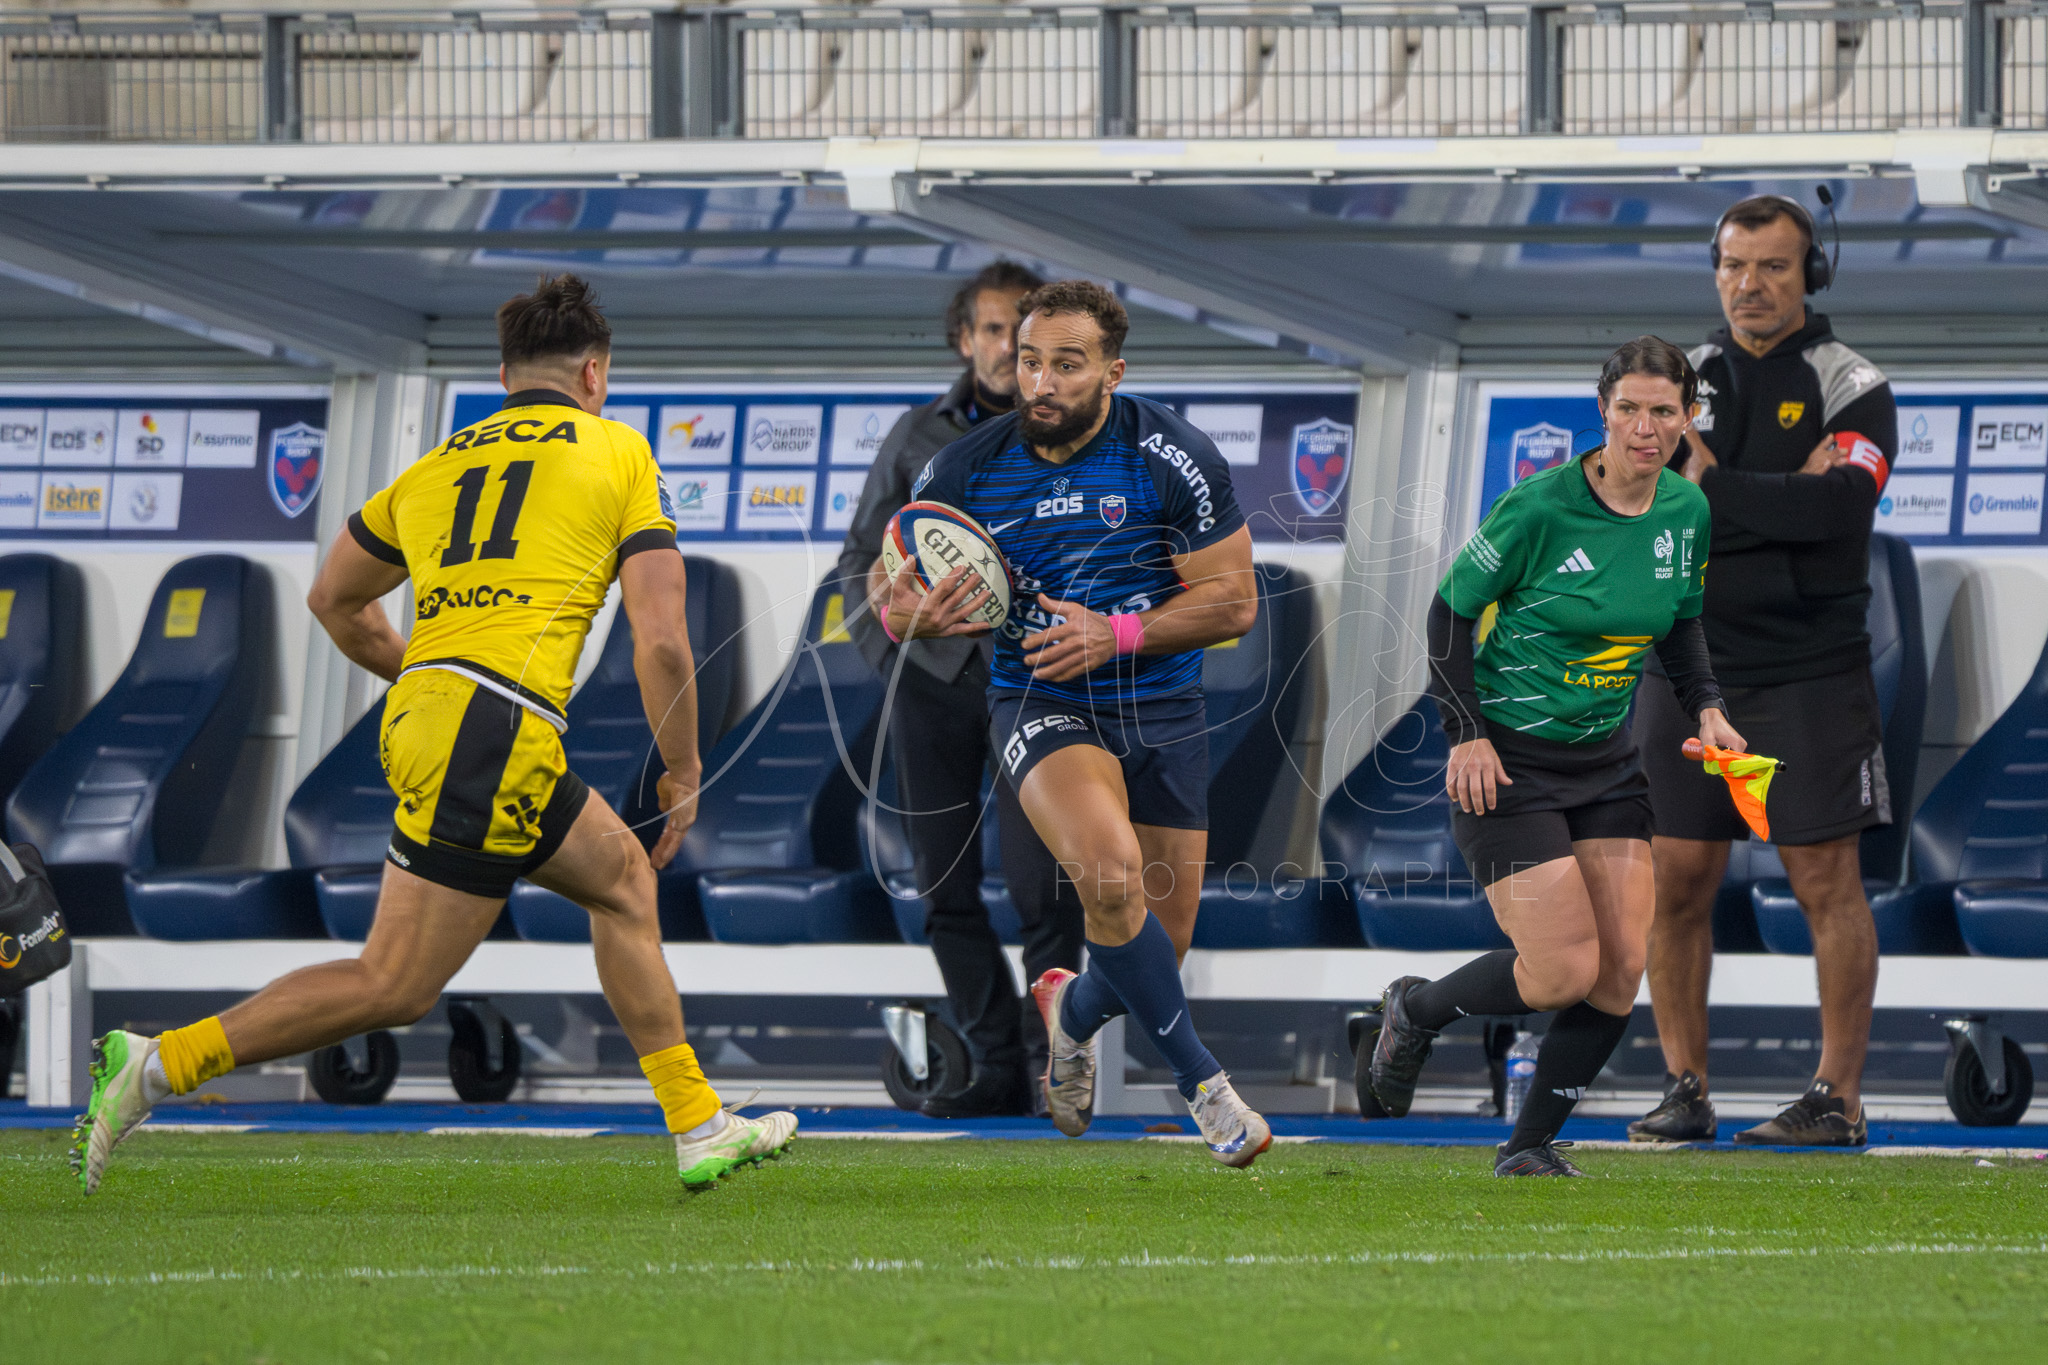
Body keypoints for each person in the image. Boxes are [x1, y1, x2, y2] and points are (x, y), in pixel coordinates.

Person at [71, 275, 796, 1194]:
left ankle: (697, 1121)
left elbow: (334, 597)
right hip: (494, 729)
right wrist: (684, 765)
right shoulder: (617, 452)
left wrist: (426, 674)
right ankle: (158, 1064)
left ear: (503, 375)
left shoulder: (437, 465)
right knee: (395, 984)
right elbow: (660, 637)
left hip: (443, 716)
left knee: (620, 880)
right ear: (595, 373)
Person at [884, 280, 1271, 1166]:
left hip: (1164, 707)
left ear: (1112, 371)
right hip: (1041, 700)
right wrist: (917, 617)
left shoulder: (1171, 454)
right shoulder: (962, 470)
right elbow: (894, 601)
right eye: (1030, 361)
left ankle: (1075, 1008)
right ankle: (1208, 1090)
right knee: (1108, 870)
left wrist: (1118, 631)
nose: (1042, 381)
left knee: (1154, 948)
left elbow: (1235, 603)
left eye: (1067, 363)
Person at [1371, 337, 1741, 1177]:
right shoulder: (1539, 507)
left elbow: (1680, 623)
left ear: (1688, 419)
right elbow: (1448, 616)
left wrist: (1712, 709)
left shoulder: (1687, 511)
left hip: (1609, 762)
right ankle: (1417, 1010)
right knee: (1561, 970)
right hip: (1508, 762)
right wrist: (1464, 730)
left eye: (1664, 412)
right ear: (1602, 410)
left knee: (1619, 971)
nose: (1646, 428)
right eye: (1630, 410)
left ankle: (1527, 1144)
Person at [1630, 195, 1897, 1148]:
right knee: (1675, 882)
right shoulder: (1677, 378)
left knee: (1825, 878)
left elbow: (1841, 510)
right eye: (1735, 266)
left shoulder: (1850, 382)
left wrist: (1717, 487)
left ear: (1811, 273)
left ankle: (1838, 1097)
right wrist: (1780, 494)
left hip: (1809, 672)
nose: (1751, 285)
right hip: (1690, 670)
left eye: (1774, 267)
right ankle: (1685, 1086)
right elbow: (1641, 498)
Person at [838, 260, 1085, 1119]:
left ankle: (1051, 1060)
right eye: (987, 328)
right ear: (963, 338)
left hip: (1037, 686)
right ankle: (990, 1066)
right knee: (942, 886)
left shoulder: (1072, 435)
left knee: (1043, 889)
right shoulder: (916, 437)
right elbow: (859, 565)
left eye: (1018, 329)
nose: (1001, 344)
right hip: (932, 689)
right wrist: (895, 648)